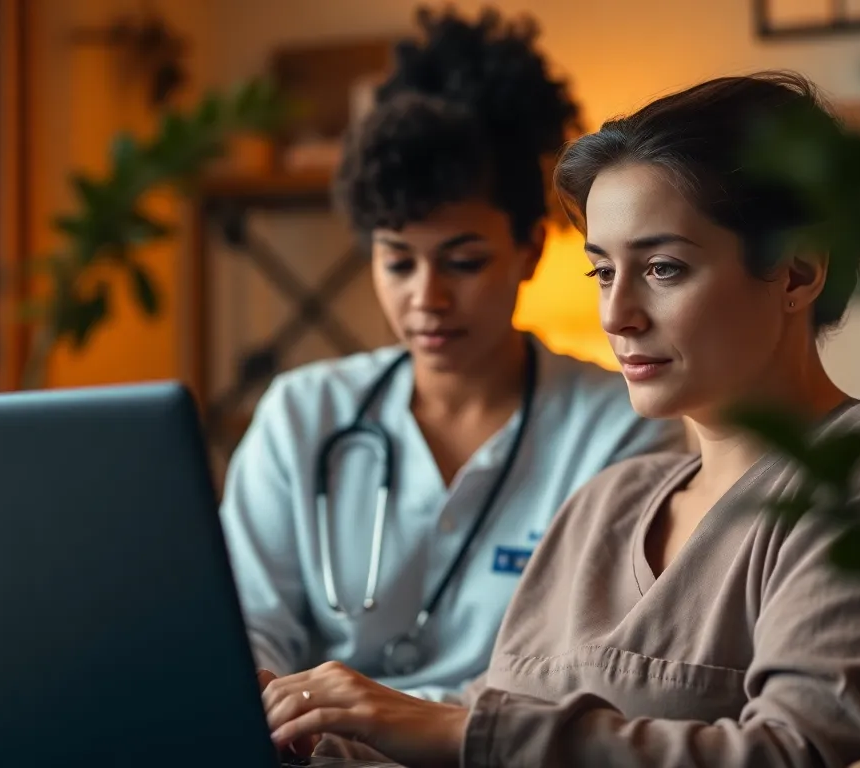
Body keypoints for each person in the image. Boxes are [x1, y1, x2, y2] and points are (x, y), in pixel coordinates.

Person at [256, 72, 860, 768]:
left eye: (663, 268)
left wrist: (457, 731)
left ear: (797, 272)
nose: (616, 315)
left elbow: (798, 753)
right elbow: (476, 729)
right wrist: (314, 731)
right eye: (603, 271)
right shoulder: (609, 503)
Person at [219, 7, 683, 705]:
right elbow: (247, 621)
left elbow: (587, 665)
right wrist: (260, 700)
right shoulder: (300, 413)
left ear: (528, 250)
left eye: (462, 262)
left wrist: (391, 720)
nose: (426, 298)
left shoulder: (618, 428)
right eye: (398, 263)